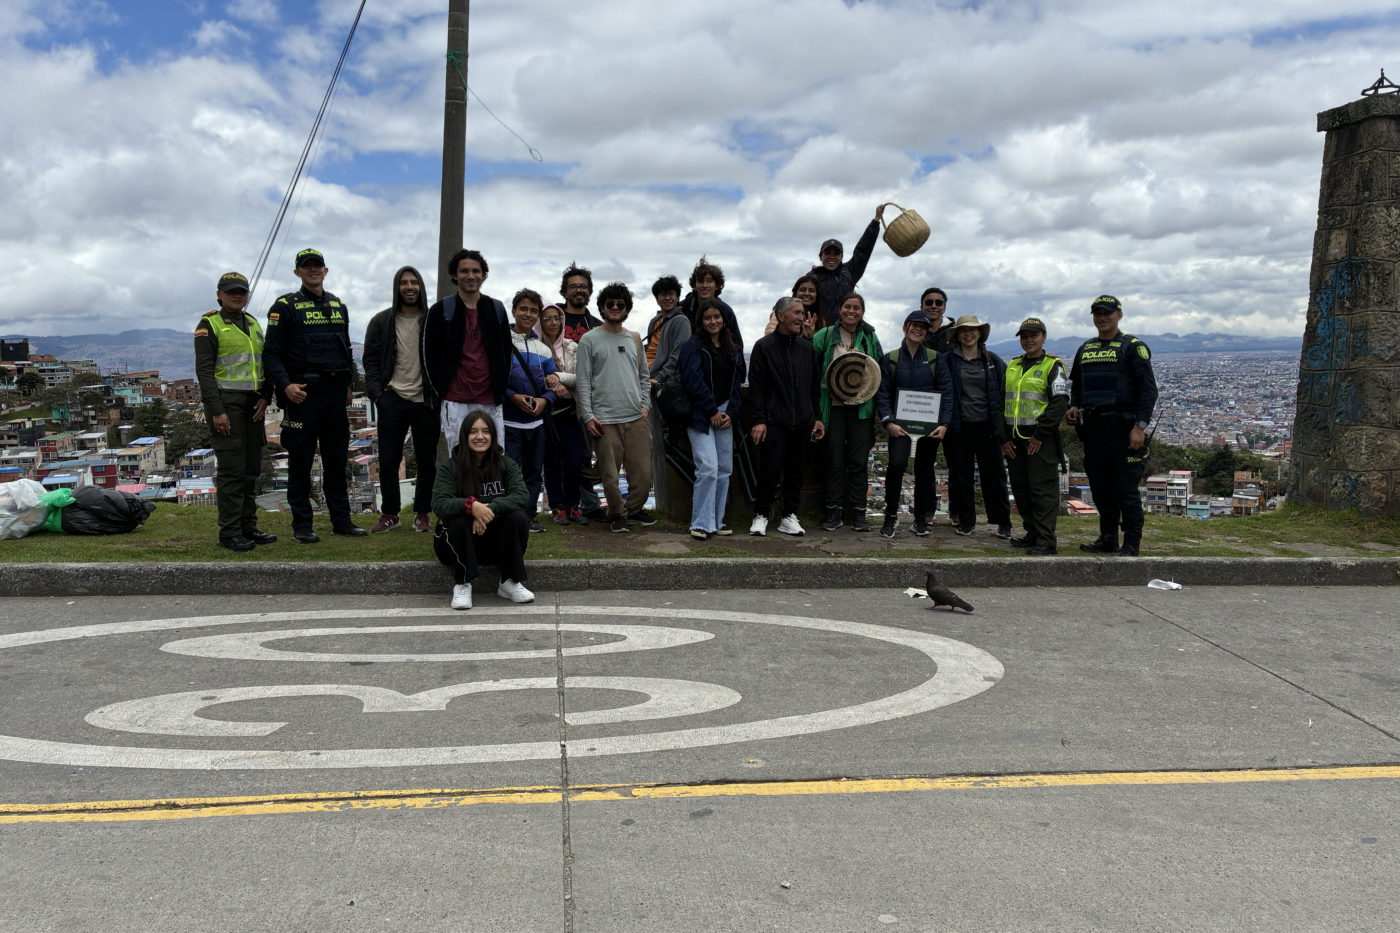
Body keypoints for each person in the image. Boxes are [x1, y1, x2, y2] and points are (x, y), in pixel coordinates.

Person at [262, 248, 365, 543]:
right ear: (298, 272)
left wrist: (348, 385)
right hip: (302, 397)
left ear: (325, 270)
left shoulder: (338, 305)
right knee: (301, 465)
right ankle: (302, 526)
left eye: (317, 265)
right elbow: (271, 355)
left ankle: (341, 522)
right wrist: (286, 386)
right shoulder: (284, 306)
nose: (313, 270)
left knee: (336, 463)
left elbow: (346, 349)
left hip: (334, 397)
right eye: (306, 266)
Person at [1067, 295, 1159, 557]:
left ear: (1119, 314)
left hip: (1124, 430)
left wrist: (1140, 426)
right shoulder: (1085, 349)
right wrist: (1074, 406)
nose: (1102, 317)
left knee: (1126, 489)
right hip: (1093, 430)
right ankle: (1108, 538)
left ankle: (1131, 543)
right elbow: (1078, 386)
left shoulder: (1133, 346)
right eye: (1097, 313)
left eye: (1107, 312)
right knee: (1100, 488)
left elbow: (1148, 390)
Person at [195, 271, 275, 551]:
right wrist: (217, 410)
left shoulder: (253, 322)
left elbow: (264, 363)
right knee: (231, 471)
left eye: (242, 291)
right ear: (219, 294)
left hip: (254, 404)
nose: (237, 296)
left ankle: (248, 527)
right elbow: (204, 371)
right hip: (226, 405)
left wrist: (266, 395)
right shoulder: (210, 324)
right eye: (231, 291)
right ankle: (229, 533)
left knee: (251, 469)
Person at [432, 411, 534, 610]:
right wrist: (471, 507)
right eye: (473, 432)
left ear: (493, 436)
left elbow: (521, 496)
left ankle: (509, 581)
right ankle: (462, 583)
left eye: (486, 431)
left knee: (518, 517)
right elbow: (440, 504)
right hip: (457, 544)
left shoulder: (506, 465)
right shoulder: (449, 467)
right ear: (464, 436)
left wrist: (489, 510)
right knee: (458, 520)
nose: (480, 436)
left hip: (494, 545)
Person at [363, 265, 438, 534]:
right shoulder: (381, 321)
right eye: (404, 282)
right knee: (388, 461)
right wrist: (378, 395)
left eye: (414, 282)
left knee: (426, 461)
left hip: (426, 400)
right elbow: (370, 361)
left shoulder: (433, 320)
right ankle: (390, 514)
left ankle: (422, 514)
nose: (409, 287)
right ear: (397, 287)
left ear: (421, 287)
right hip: (392, 398)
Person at [575, 282, 655, 533]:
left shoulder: (634, 338)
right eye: (610, 303)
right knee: (609, 474)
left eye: (620, 304)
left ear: (627, 308)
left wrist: (645, 406)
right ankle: (617, 514)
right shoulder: (589, 339)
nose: (615, 307)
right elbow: (583, 380)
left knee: (643, 472)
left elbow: (644, 376)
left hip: (635, 416)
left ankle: (635, 510)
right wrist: (588, 415)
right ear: (601, 307)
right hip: (604, 418)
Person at [748, 298, 825, 535]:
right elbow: (756, 388)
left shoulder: (806, 348)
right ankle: (761, 515)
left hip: (802, 421)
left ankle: (789, 516)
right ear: (780, 316)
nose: (801, 317)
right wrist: (759, 420)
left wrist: (817, 417)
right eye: (796, 313)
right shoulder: (764, 347)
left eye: (802, 313)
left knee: (795, 473)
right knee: (769, 470)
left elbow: (814, 387)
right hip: (774, 421)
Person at [424, 248, 512, 452]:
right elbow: (430, 356)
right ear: (454, 275)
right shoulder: (441, 310)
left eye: (476, 271)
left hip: (490, 399)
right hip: (456, 399)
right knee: (459, 457)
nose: (470, 276)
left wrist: (500, 389)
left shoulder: (496, 309)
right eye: (464, 271)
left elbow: (505, 353)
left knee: (494, 456)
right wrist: (442, 389)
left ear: (483, 275)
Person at [874, 310, 952, 538]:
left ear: (927, 332)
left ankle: (920, 519)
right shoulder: (890, 359)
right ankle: (890, 516)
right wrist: (888, 422)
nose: (918, 330)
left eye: (923, 327)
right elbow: (882, 393)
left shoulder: (936, 359)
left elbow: (947, 392)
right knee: (896, 465)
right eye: (914, 325)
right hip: (899, 427)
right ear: (905, 327)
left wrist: (944, 424)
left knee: (925, 471)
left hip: (929, 427)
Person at [811, 292, 884, 532]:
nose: (851, 311)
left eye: (856, 308)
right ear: (840, 309)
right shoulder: (824, 335)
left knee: (858, 462)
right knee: (833, 460)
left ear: (862, 312)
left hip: (861, 410)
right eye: (847, 307)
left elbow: (879, 370)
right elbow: (808, 365)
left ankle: (859, 514)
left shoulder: (870, 337)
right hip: (832, 408)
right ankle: (833, 512)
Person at [1002, 317, 1070, 555]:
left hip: (1041, 440)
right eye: (1024, 336)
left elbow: (1060, 402)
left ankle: (1046, 541)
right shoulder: (1013, 365)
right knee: (1021, 489)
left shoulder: (1053, 365)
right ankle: (1032, 533)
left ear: (1044, 337)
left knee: (1042, 491)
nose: (1029, 340)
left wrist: (1040, 434)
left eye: (1034, 335)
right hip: (1014, 440)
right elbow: (1001, 402)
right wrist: (1003, 437)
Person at [677, 299, 745, 538]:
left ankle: (716, 521)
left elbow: (737, 382)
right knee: (707, 467)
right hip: (700, 413)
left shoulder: (732, 347)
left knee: (724, 468)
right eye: (707, 318)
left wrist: (731, 412)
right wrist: (711, 411)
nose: (713, 321)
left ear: (724, 319)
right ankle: (700, 523)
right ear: (701, 321)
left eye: (717, 317)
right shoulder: (692, 346)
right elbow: (692, 382)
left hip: (725, 410)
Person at [941, 314, 1013, 538]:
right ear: (957, 335)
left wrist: (1004, 426)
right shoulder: (948, 360)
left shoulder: (992, 360)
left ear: (980, 333)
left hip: (988, 427)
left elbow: (1006, 391)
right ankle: (967, 521)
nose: (968, 334)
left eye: (972, 329)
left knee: (995, 476)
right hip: (959, 427)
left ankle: (1003, 522)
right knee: (961, 476)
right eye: (963, 330)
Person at [503, 288, 562, 533]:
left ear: (538, 315)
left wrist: (545, 400)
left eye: (533, 311)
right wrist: (512, 397)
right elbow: (492, 381)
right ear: (514, 311)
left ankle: (528, 516)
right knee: (509, 472)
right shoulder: (501, 343)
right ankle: (509, 516)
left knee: (534, 473)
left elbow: (555, 385)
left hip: (536, 423)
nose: (528, 314)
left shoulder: (544, 350)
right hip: (507, 421)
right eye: (523, 309)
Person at [558, 263, 607, 522]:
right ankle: (562, 505)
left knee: (587, 455)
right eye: (573, 286)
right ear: (564, 291)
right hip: (559, 396)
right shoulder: (554, 319)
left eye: (584, 287)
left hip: (591, 397)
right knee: (561, 456)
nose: (579, 291)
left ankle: (588, 504)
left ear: (590, 291)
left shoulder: (598, 324)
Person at [538, 303, 587, 526]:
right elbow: (534, 379)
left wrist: (559, 377)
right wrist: (553, 384)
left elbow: (580, 378)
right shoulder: (536, 346)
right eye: (547, 318)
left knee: (574, 462)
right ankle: (557, 506)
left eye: (556, 318)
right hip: (547, 412)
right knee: (552, 463)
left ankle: (573, 505)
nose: (553, 323)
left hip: (570, 411)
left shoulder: (572, 346)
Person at [644, 274, 691, 508]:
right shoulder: (656, 321)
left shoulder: (681, 321)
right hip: (647, 377)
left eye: (671, 293)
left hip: (663, 382)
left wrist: (659, 378)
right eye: (662, 294)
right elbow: (650, 350)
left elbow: (678, 354)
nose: (667, 298)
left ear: (678, 296)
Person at [811, 206, 885, 325]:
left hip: (846, 330)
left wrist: (876, 221)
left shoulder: (850, 271)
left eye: (836, 253)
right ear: (820, 256)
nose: (832, 257)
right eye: (827, 253)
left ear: (842, 257)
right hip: (818, 331)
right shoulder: (811, 278)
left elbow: (863, 251)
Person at [678, 257, 744, 350]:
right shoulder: (682, 309)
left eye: (709, 281)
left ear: (717, 285)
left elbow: (737, 345)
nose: (705, 285)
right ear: (694, 285)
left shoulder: (726, 311)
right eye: (700, 281)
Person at [919, 288, 955, 355]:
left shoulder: (954, 332)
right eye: (929, 302)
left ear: (944, 308)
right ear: (921, 307)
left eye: (938, 303)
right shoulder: (915, 332)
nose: (933, 306)